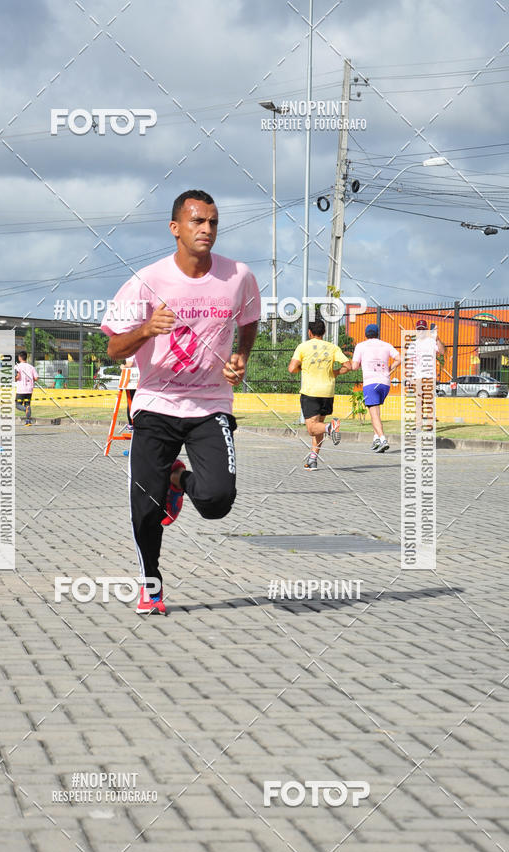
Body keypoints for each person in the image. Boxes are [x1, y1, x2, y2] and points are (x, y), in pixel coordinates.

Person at [101, 189, 260, 615]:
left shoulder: (238, 275)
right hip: (156, 403)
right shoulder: (148, 280)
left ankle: (178, 481)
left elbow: (249, 320)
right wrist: (147, 330)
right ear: (175, 228)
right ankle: (151, 585)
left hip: (211, 403)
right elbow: (115, 348)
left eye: (212, 222)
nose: (206, 229)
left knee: (216, 500)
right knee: (144, 507)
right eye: (197, 222)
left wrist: (240, 356)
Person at [288, 320, 351, 471]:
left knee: (312, 429)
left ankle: (331, 427)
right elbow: (348, 365)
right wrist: (335, 372)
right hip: (328, 392)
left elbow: (291, 368)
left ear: (310, 332)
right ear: (324, 332)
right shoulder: (332, 347)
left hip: (311, 392)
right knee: (318, 428)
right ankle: (313, 460)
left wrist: (300, 369)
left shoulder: (303, 347)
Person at [351, 324, 400, 453]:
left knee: (373, 413)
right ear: (378, 333)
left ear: (366, 334)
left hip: (370, 382)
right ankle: (376, 438)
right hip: (385, 383)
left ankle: (383, 439)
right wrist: (390, 369)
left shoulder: (361, 346)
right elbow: (399, 359)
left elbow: (355, 366)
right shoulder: (386, 345)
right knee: (376, 412)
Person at [15, 351, 39, 425]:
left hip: (21, 389)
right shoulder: (31, 367)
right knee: (27, 404)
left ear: (19, 358)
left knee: (18, 405)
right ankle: (28, 421)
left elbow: (18, 376)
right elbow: (36, 378)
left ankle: (25, 409)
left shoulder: (17, 366)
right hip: (29, 389)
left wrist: (15, 378)